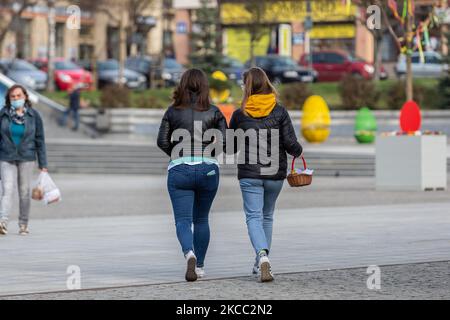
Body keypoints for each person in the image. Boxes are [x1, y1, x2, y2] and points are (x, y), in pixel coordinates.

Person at [229, 67, 303, 282]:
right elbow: (291, 145)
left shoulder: (239, 114)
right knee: (267, 216)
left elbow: (231, 147)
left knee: (253, 216)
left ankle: (261, 257)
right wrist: (298, 151)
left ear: (248, 87)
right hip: (274, 175)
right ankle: (261, 261)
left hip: (249, 174)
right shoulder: (279, 111)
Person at [157, 68, 227, 282]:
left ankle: (189, 253)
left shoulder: (172, 111)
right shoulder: (214, 111)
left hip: (179, 170)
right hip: (207, 170)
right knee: (202, 219)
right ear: (205, 87)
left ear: (182, 86)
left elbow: (161, 141)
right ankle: (201, 266)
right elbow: (226, 140)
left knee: (183, 220)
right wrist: (210, 154)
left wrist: (176, 155)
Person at [0, 84, 48, 236]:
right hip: (6, 156)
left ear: (25, 97)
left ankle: (23, 224)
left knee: (24, 192)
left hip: (27, 157)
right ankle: (2, 222)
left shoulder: (34, 116)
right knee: (7, 190)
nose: (16, 99)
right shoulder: (3, 115)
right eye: (12, 97)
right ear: (8, 99)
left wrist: (43, 164)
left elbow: (40, 140)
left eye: (18, 96)